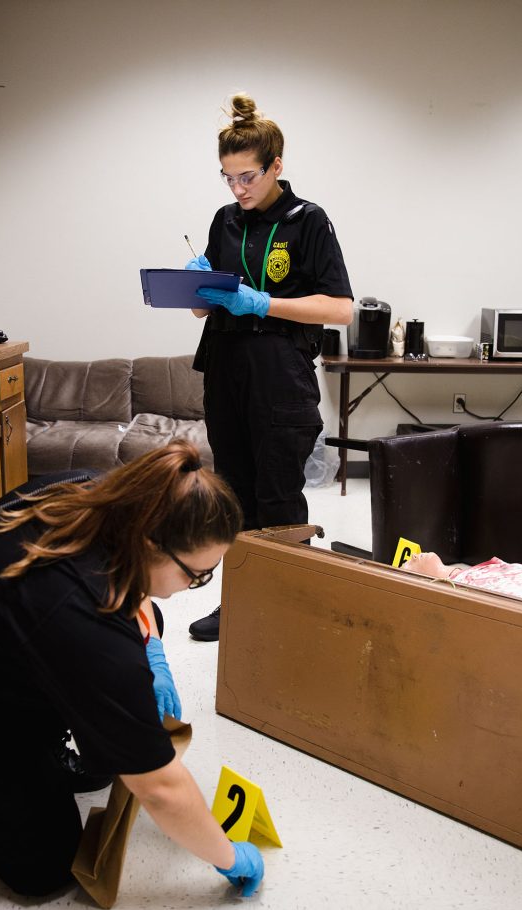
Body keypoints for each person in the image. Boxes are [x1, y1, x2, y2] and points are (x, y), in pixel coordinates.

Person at [0, 441, 265, 899]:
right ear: (152, 543)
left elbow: (134, 597)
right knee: (46, 866)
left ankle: (18, 754)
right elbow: (161, 787)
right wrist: (227, 856)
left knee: (106, 751)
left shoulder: (95, 492)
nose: (195, 586)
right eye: (197, 574)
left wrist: (153, 653)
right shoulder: (82, 618)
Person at [186, 92, 353, 642]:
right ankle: (239, 602)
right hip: (226, 372)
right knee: (233, 495)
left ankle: (290, 607)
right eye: (228, 177)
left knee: (278, 497)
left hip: (281, 379)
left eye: (249, 176)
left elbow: (339, 308)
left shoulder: (310, 222)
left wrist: (263, 302)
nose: (239, 189)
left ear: (277, 166)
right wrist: (194, 286)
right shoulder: (223, 221)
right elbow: (203, 306)